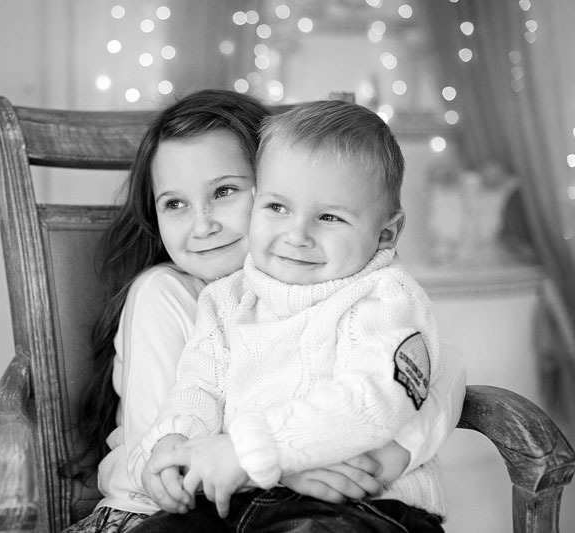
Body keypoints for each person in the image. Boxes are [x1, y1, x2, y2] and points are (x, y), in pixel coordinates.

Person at [65, 91, 464, 533]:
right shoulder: (198, 297)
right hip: (198, 502)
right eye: (174, 203)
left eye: (225, 191)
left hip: (355, 506)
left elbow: (417, 380)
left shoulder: (376, 293)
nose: (203, 225)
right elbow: (196, 394)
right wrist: (182, 442)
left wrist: (266, 456)